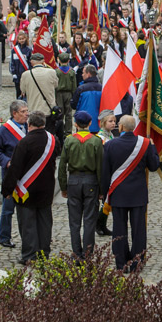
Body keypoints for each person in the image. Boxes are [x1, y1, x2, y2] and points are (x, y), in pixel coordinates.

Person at [100, 115, 160, 272]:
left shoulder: (110, 145)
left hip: (118, 193)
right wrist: (152, 147)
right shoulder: (145, 144)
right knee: (139, 230)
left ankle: (121, 262)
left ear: (120, 127)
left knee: (119, 230)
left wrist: (104, 193)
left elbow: (105, 173)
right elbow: (154, 166)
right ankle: (137, 262)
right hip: (138, 194)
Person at [5, 110, 60, 264]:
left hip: (26, 190)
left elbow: (15, 168)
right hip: (46, 188)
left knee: (28, 223)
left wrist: (7, 190)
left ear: (29, 124)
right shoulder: (53, 140)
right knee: (45, 223)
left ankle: (29, 255)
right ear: (43, 123)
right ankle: (44, 254)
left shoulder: (24, 143)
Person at [57, 110, 103, 259]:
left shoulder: (69, 140)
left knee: (74, 220)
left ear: (75, 124)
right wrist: (102, 189)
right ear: (90, 123)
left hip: (74, 181)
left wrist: (63, 186)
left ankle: (76, 253)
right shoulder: (96, 141)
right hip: (91, 181)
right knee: (89, 219)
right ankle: (88, 253)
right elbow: (100, 167)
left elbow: (62, 165)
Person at [0, 99, 29, 248]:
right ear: (14, 114)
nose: (27, 114)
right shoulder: (4, 130)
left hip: (27, 174)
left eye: (27, 111)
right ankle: (4, 236)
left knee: (27, 209)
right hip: (10, 174)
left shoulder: (28, 127)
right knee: (8, 208)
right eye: (23, 112)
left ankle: (27, 235)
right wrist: (7, 161)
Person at [23, 51, 59, 117]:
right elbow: (56, 85)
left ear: (31, 62)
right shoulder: (52, 72)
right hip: (48, 109)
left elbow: (23, 90)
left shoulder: (25, 74)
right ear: (43, 62)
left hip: (33, 109)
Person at [71, 64, 101, 132]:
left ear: (88, 74)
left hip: (82, 124)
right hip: (98, 125)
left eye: (83, 73)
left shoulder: (81, 89)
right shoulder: (102, 88)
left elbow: (73, 105)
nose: (82, 75)